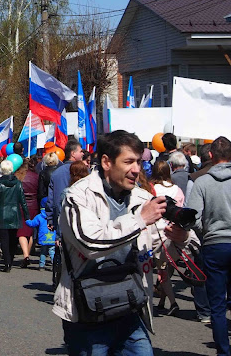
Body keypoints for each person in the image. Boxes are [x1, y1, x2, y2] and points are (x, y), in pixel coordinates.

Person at [53, 130, 192, 355]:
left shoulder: (141, 197)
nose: (136, 169)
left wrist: (178, 238)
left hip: (130, 306)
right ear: (107, 162)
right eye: (128, 162)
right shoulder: (78, 196)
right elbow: (91, 243)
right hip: (88, 312)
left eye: (138, 161)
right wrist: (139, 220)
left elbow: (155, 243)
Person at [189, 136, 231, 355]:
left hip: (214, 244)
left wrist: (205, 232)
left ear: (211, 156)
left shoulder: (202, 182)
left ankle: (224, 351)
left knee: (217, 305)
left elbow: (192, 217)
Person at [150, 160, 184, 316]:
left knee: (161, 270)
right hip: (174, 232)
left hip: (157, 233)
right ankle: (163, 301)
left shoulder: (152, 189)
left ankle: (172, 302)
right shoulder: (177, 190)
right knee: (166, 270)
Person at [0, 160, 29, 272]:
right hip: (14, 213)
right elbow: (23, 201)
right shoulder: (18, 183)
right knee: (12, 240)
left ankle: (7, 263)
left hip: (1, 214)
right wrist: (26, 215)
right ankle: (10, 260)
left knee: (4, 240)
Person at [46, 141, 84, 230]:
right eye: (80, 151)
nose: (83, 153)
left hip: (61, 218)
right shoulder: (84, 172)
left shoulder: (56, 173)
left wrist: (50, 219)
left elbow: (51, 199)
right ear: (73, 154)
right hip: (80, 219)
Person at [17, 158, 39, 268]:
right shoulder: (36, 176)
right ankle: (28, 253)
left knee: (21, 232)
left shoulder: (18, 176)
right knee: (30, 232)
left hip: (20, 205)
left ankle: (25, 255)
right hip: (34, 205)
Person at [25, 197, 56, 271]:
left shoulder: (39, 216)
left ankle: (41, 265)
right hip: (53, 237)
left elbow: (32, 224)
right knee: (52, 251)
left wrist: (27, 220)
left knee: (43, 252)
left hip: (43, 237)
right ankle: (54, 265)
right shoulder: (54, 216)